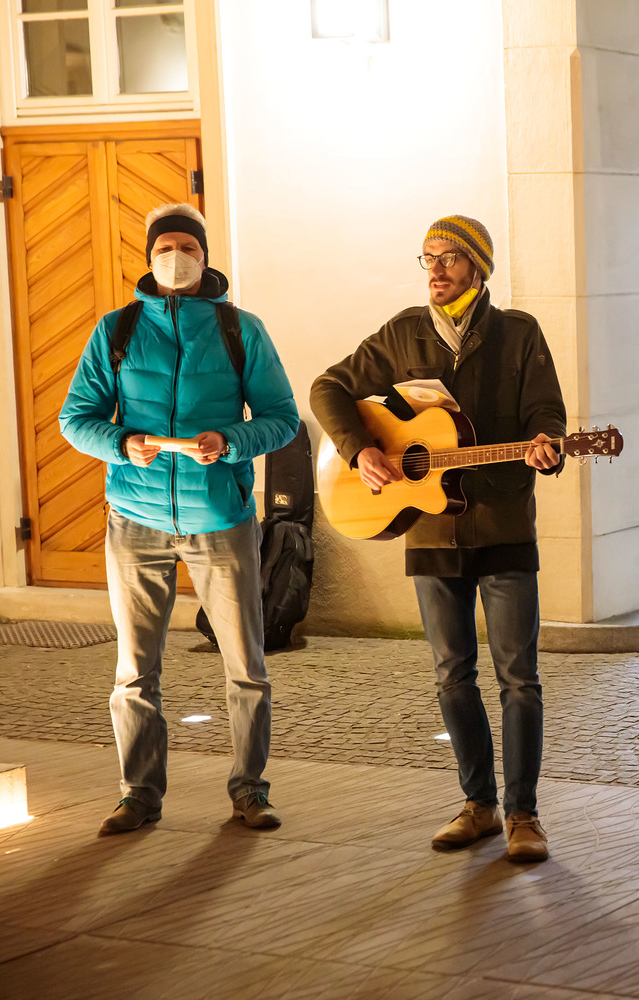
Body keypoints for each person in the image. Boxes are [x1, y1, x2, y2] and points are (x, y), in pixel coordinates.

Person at [311, 214, 565, 862]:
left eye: (449, 257)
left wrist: (548, 444)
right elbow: (328, 387)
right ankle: (478, 805)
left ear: (478, 264)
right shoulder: (403, 332)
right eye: (427, 257)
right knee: (452, 675)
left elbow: (546, 413)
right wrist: (360, 448)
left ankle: (524, 815)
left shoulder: (519, 333)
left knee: (519, 678)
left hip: (505, 524)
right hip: (428, 527)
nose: (436, 269)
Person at [59, 203, 299, 835]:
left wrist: (231, 441)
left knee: (246, 665)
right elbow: (75, 418)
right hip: (134, 520)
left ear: (205, 256)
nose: (176, 257)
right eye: (164, 247)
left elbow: (282, 419)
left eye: (187, 247)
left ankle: (250, 790)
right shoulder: (116, 329)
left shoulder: (239, 329)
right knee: (134, 671)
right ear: (148, 258)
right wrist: (121, 443)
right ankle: (138, 794)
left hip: (220, 518)